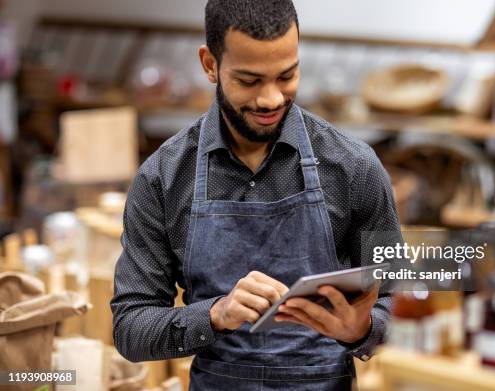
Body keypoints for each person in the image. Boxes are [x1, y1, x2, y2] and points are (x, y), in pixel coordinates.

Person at [111, 0, 401, 389]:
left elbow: (400, 292)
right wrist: (214, 314)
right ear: (210, 65)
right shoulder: (163, 177)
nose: (271, 99)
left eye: (287, 76)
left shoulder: (353, 167)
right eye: (249, 80)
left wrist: (362, 329)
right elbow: (131, 327)